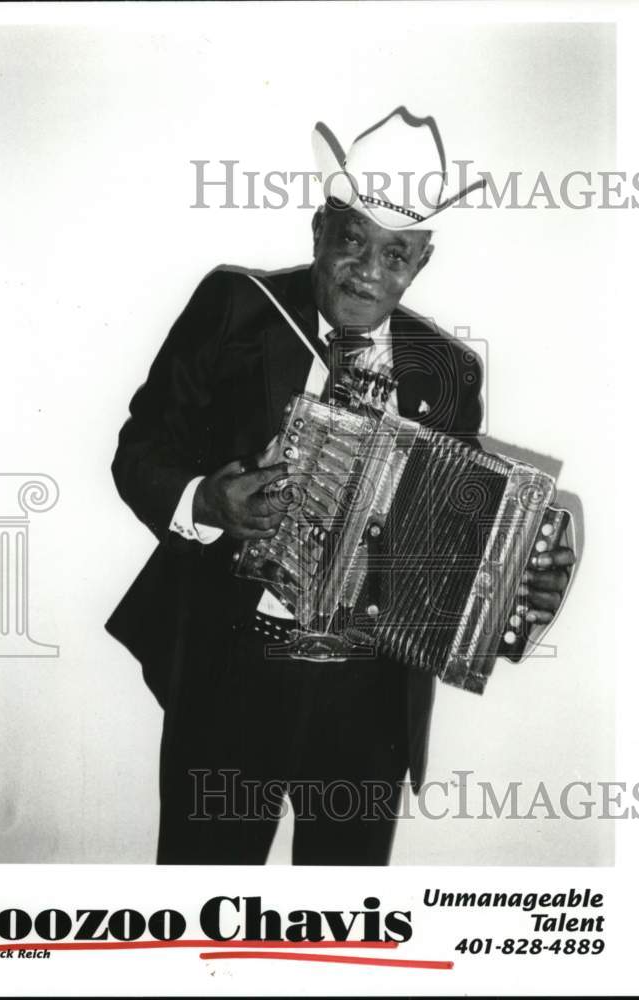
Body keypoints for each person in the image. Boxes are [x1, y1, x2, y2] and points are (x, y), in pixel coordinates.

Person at [105, 108, 575, 865]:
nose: (367, 270)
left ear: (420, 262)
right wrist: (202, 499)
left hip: (369, 692)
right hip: (232, 672)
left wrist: (518, 581)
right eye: (350, 240)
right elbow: (141, 448)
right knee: (200, 900)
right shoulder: (237, 308)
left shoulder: (450, 369)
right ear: (319, 228)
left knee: (344, 911)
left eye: (395, 255)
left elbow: (452, 535)